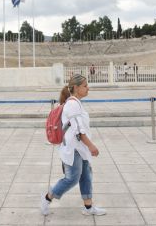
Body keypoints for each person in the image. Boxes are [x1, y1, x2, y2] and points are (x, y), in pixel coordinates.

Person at [40, 74, 106, 216]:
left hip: (80, 148)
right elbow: (79, 131)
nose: (88, 88)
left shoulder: (76, 103)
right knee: (71, 179)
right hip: (74, 149)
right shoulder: (72, 105)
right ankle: (47, 198)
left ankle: (88, 208)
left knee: (86, 176)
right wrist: (91, 146)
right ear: (76, 88)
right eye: (85, 86)